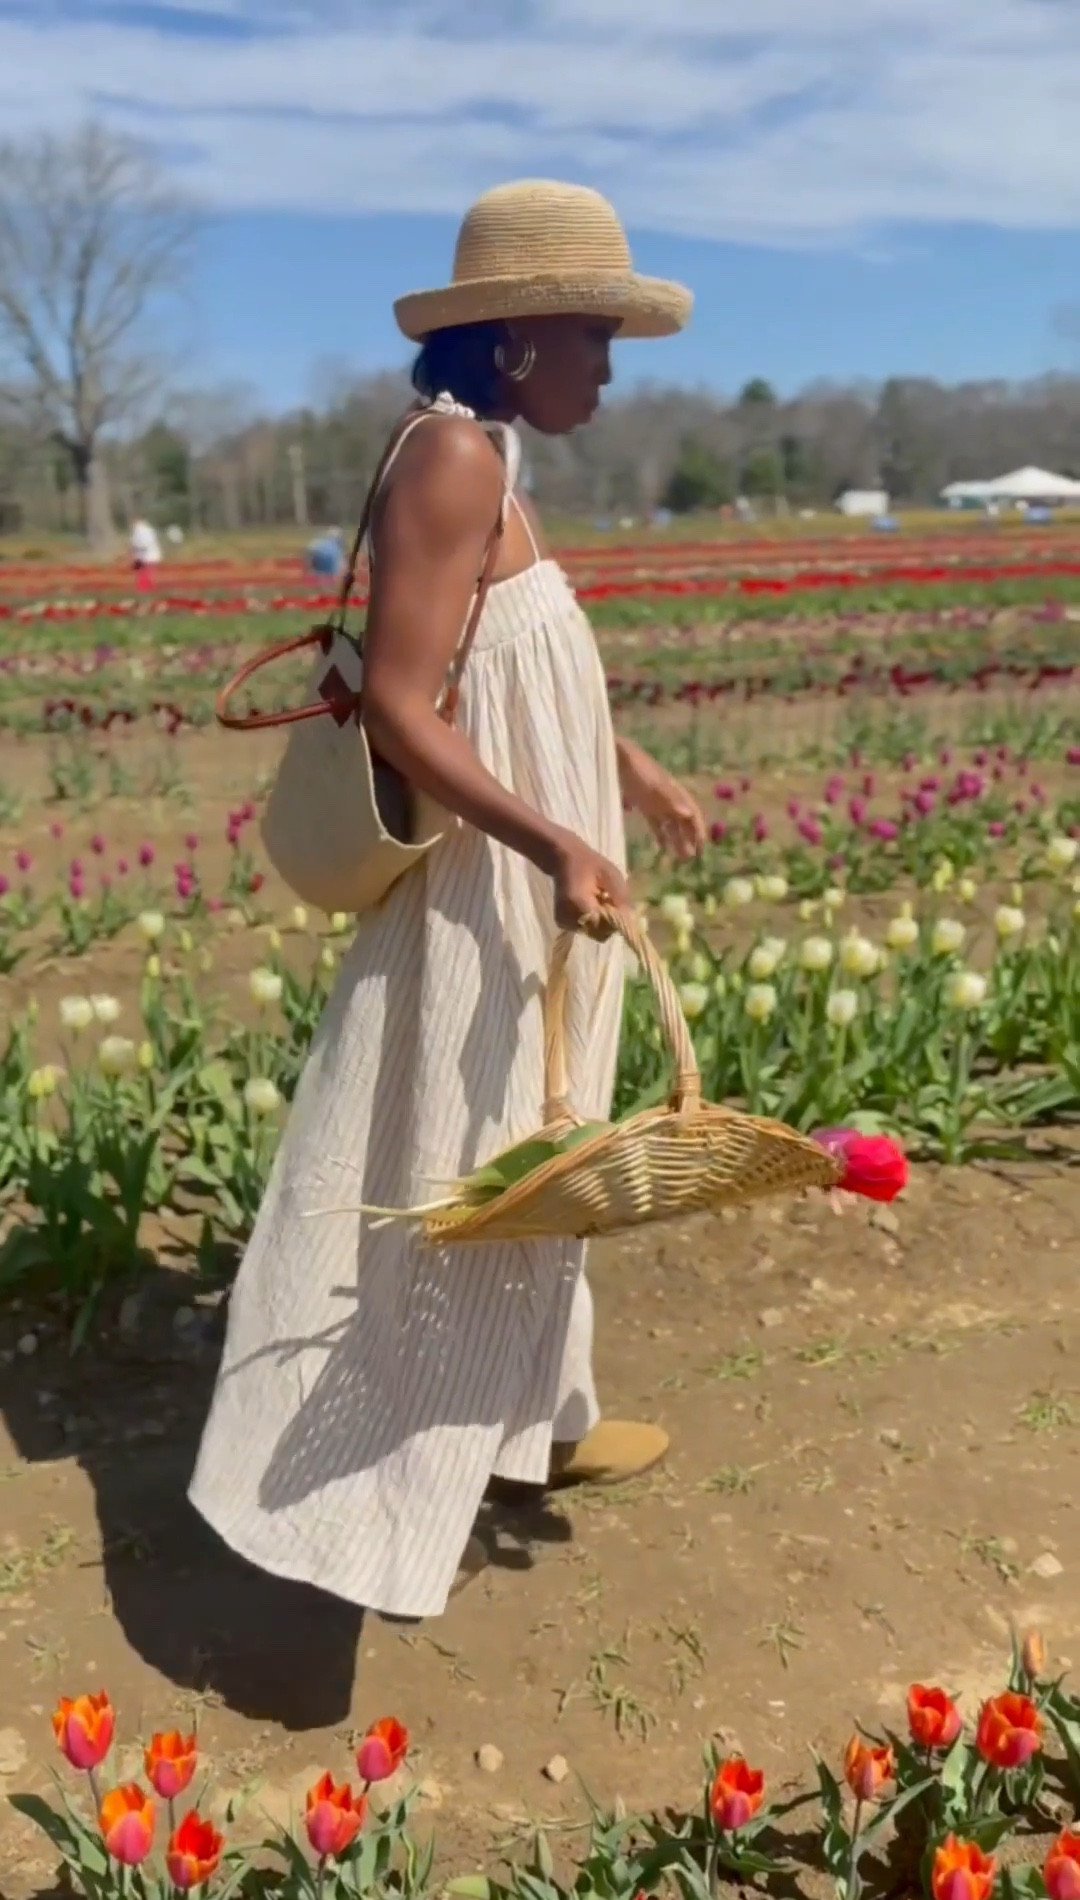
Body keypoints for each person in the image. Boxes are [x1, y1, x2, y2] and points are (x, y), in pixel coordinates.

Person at [189, 180, 705, 1623]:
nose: (608, 366)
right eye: (596, 338)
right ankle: (359, 1493)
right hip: (489, 890)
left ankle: (541, 1417)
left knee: (539, 1145)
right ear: (526, 337)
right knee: (462, 1162)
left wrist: (634, 771)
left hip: (539, 879)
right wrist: (551, 841)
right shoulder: (451, 468)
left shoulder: (489, 452)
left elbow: (513, 671)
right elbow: (412, 714)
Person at [129, 514, 162, 589]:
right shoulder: (143, 530)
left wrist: (135, 548)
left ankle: (145, 587)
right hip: (144, 555)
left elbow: (143, 543)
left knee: (145, 572)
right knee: (145, 573)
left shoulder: (142, 530)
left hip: (146, 554)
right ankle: (146, 587)